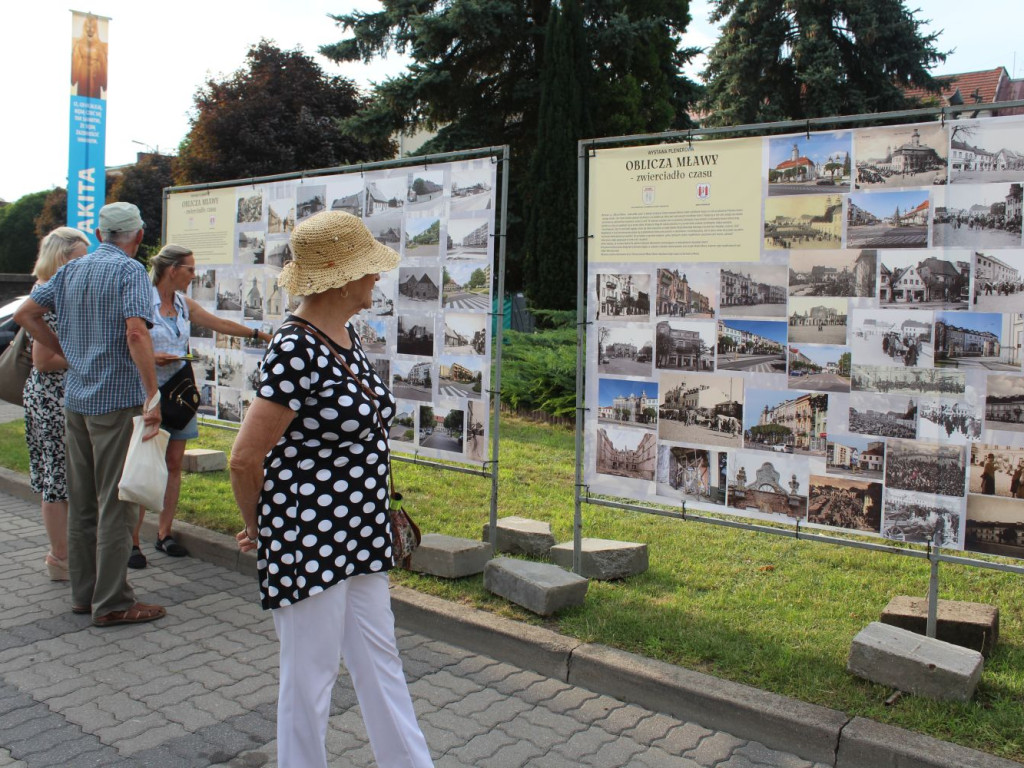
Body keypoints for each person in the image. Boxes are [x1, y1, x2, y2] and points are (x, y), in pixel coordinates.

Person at [230, 211, 433, 768]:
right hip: (309, 534)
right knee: (310, 678)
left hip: (359, 530)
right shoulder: (296, 347)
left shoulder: (344, 335)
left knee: (380, 660)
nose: (377, 280)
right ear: (341, 278)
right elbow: (245, 459)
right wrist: (260, 530)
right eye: (370, 270)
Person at [15, 202, 166, 628]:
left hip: (76, 401)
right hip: (115, 402)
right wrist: (152, 394)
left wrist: (68, 352)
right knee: (117, 503)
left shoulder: (71, 269)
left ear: (100, 234)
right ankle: (114, 602)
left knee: (82, 502)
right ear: (137, 237)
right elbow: (136, 331)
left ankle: (84, 594)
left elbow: (27, 313)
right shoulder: (129, 271)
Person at [128, 244, 272, 568]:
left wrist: (259, 334)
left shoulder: (181, 303)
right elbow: (130, 342)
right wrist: (153, 357)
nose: (194, 275)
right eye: (190, 269)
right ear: (172, 269)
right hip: (149, 392)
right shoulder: (143, 301)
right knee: (143, 464)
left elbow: (218, 323)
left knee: (174, 464)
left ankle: (164, 533)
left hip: (179, 392)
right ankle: (131, 541)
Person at [22, 227, 90, 581]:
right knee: (57, 480)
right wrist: (87, 355)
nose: (86, 263)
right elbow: (44, 360)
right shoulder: (47, 296)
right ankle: (60, 558)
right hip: (51, 398)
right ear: (62, 258)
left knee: (59, 478)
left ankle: (63, 556)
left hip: (53, 397)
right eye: (81, 256)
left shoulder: (52, 290)